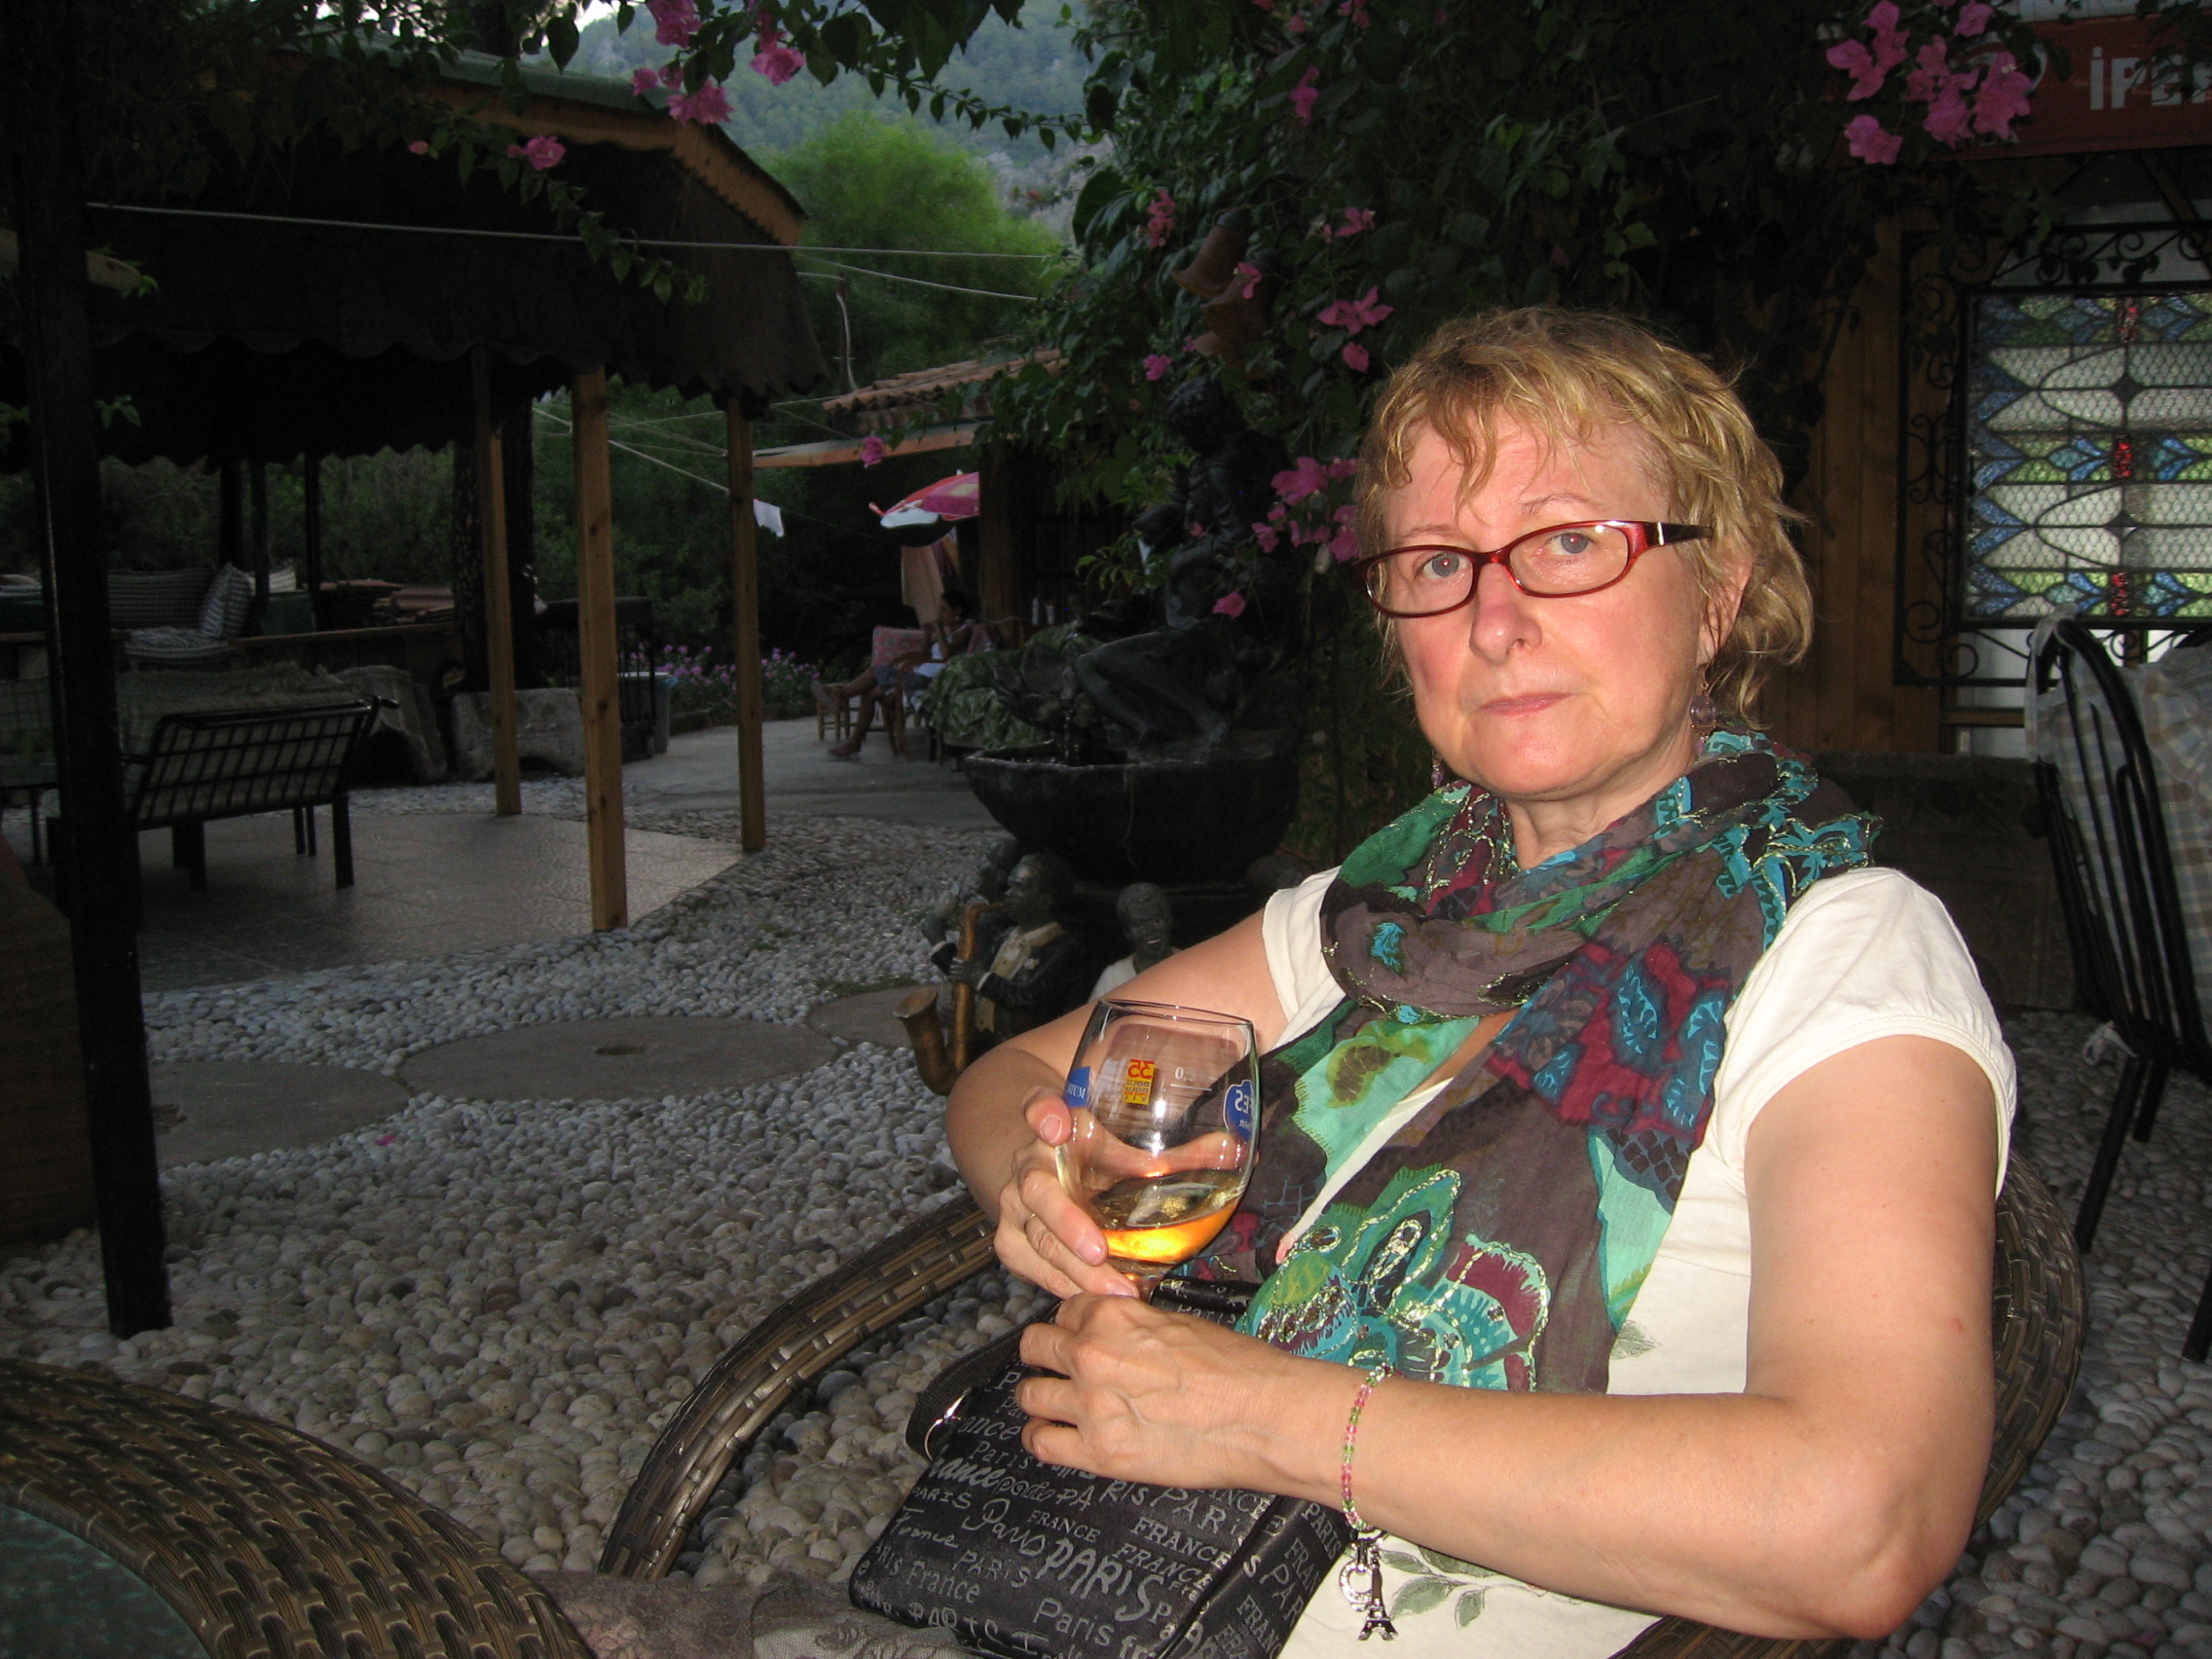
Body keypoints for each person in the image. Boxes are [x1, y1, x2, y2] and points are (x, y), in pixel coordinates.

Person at [944, 308, 2013, 1657]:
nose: (1495, 622)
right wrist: (1036, 1182)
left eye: (1569, 544)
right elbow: (1017, 1073)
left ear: (1717, 594)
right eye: (1440, 563)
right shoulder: (1387, 908)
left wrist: (1259, 1416)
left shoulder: (1839, 955)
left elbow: (1862, 1523)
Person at [819, 591, 984, 760]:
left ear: (958, 611)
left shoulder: (965, 631)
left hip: (933, 682)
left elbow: (947, 655)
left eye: (944, 610)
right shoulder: (948, 632)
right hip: (919, 676)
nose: (940, 614)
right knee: (869, 693)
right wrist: (927, 635)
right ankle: (854, 743)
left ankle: (841, 695)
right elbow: (922, 656)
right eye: (939, 610)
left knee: (875, 671)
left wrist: (940, 631)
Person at [1088, 881, 1175, 1000]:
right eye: (1139, 925)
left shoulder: (1190, 967)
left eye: (1156, 921)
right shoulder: (1114, 978)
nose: (1149, 930)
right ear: (1127, 933)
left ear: (1169, 921)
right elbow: (1095, 1011)